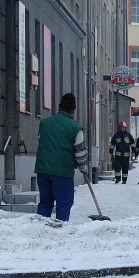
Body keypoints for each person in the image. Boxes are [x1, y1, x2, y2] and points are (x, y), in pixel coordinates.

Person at [35, 93, 88, 221]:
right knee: (64, 203)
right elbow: (79, 151)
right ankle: (60, 231)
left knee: (45, 202)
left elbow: (40, 140)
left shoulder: (45, 123)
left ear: (60, 108)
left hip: (43, 169)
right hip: (62, 171)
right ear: (73, 110)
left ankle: (40, 231)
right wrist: (83, 167)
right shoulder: (75, 127)